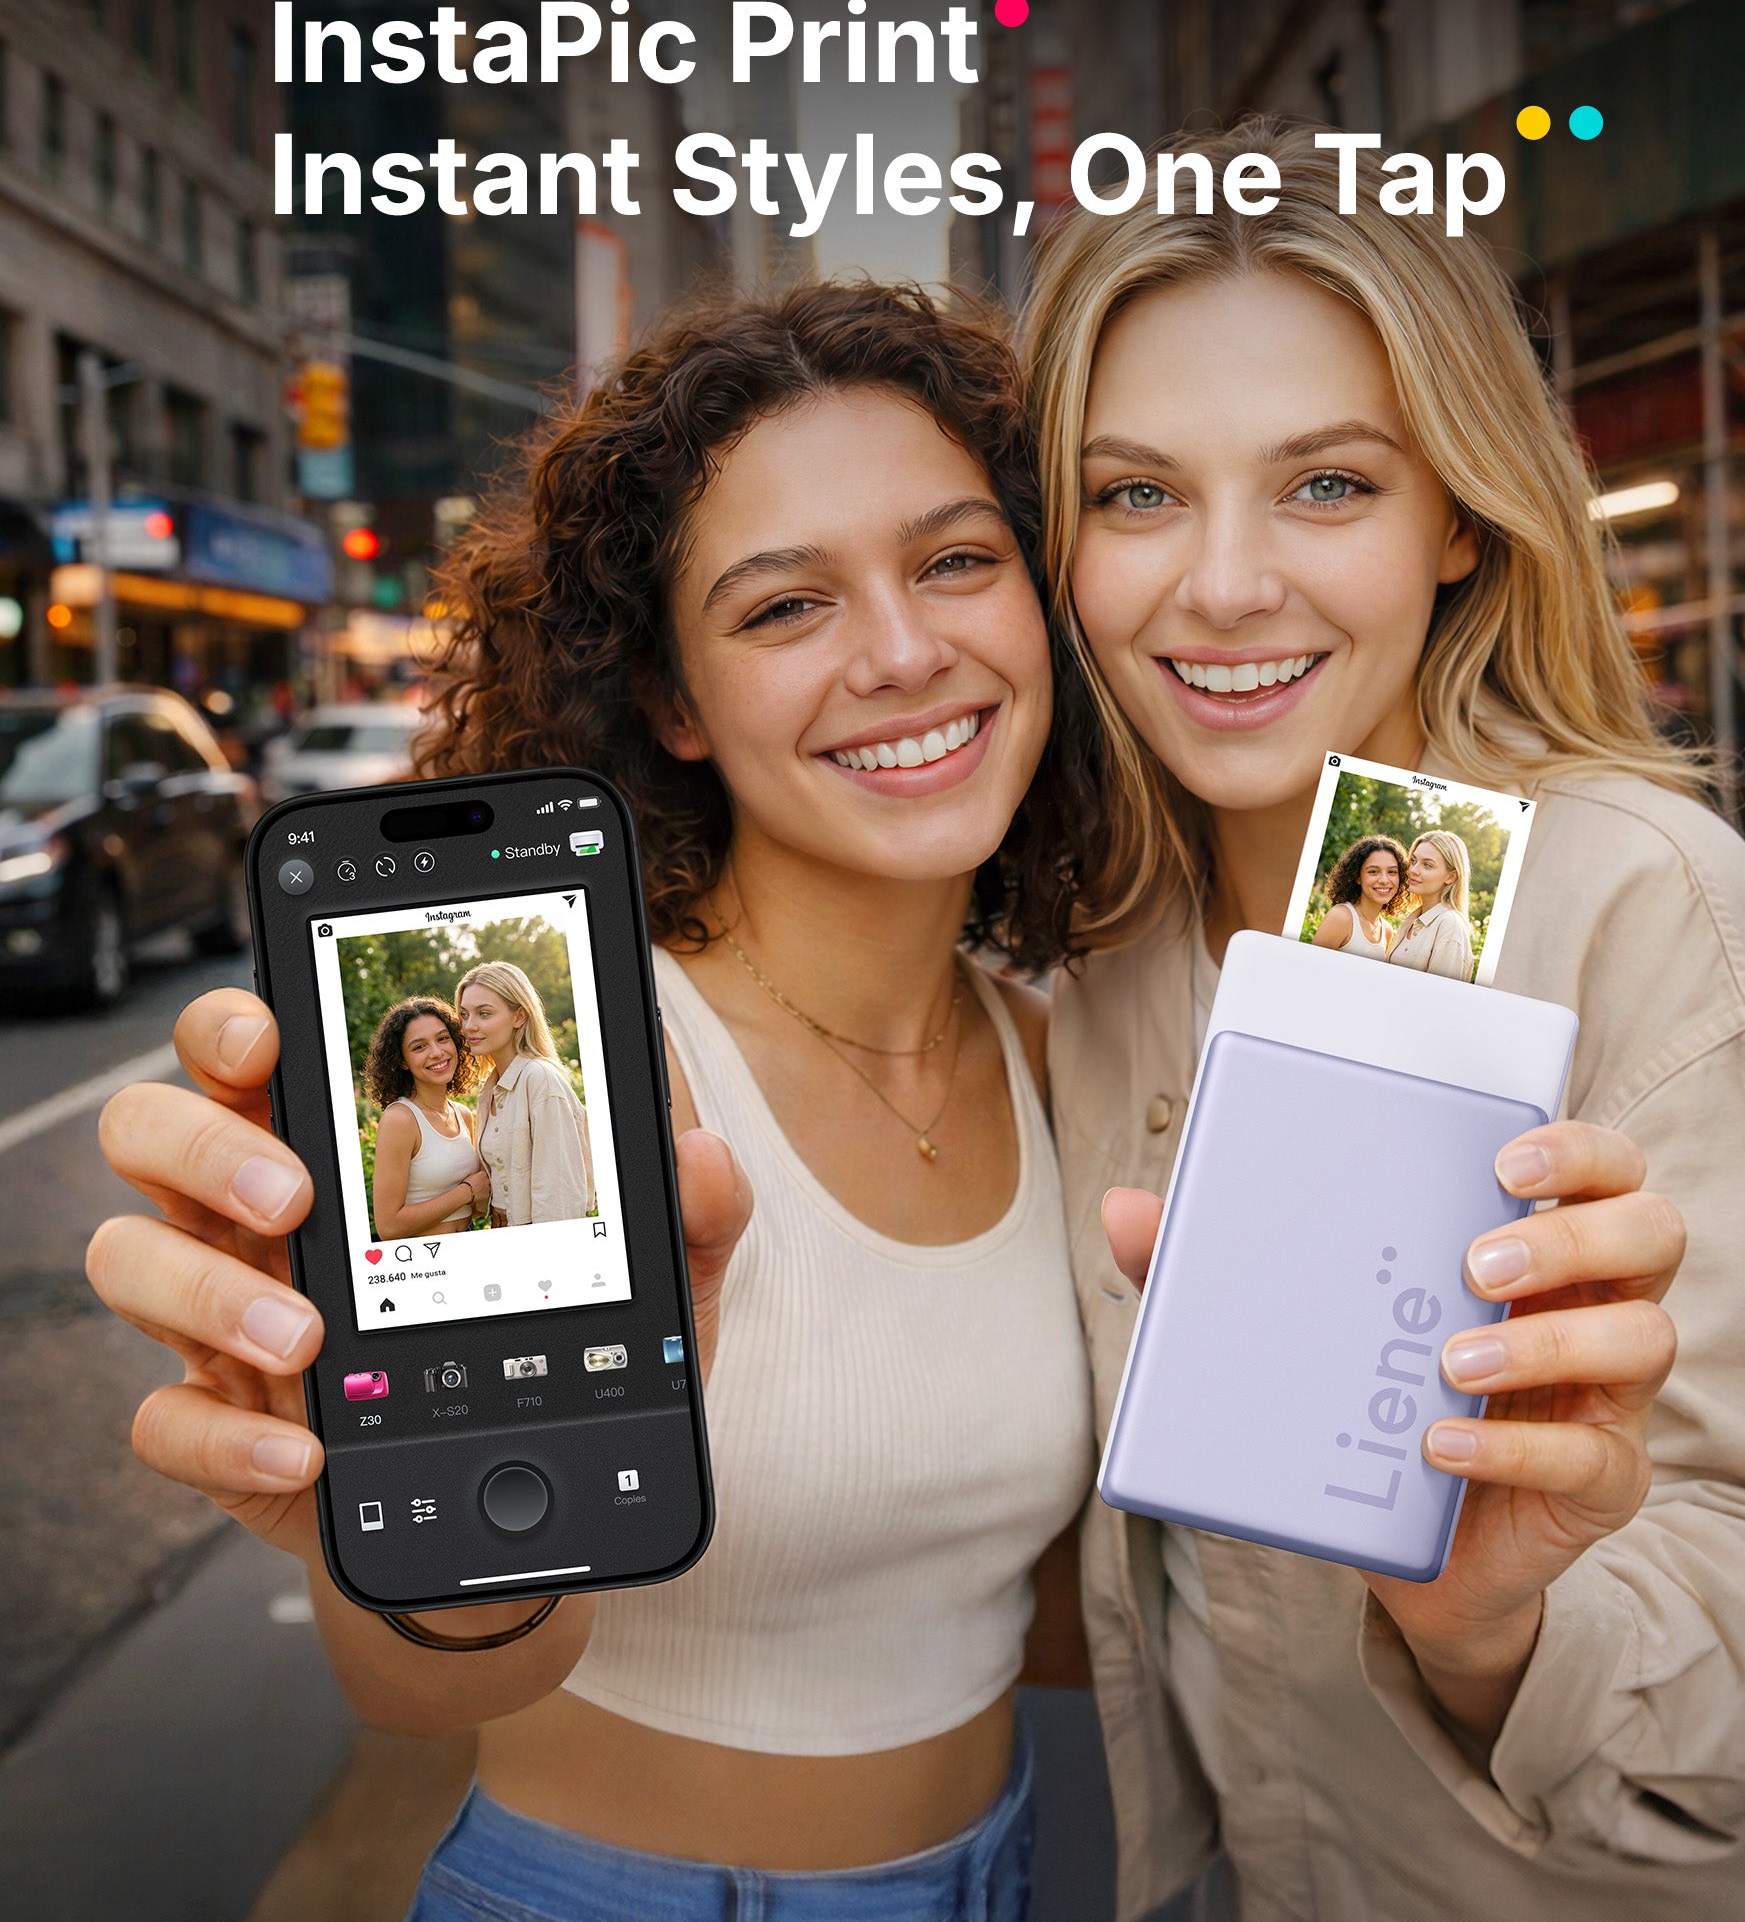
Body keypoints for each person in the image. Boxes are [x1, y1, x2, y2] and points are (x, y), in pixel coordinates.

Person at [87, 282, 1098, 1922]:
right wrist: (366, 1484)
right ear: (672, 701)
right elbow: (424, 1682)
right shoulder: (620, 1059)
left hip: (1006, 1872)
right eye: (783, 608)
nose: (904, 649)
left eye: (955, 559)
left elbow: (1030, 1588)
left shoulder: (1064, 1052)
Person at [1023, 120, 1745, 1920]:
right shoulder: (1110, 954)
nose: (1223, 582)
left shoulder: (1643, 901)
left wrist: (1491, 1621)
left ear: (1456, 518)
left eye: (1326, 483)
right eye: (1133, 493)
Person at [456, 960, 595, 1227]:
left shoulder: (540, 1080)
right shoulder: (492, 1088)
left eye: (484, 1013)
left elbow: (559, 1199)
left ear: (519, 1016)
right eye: (464, 1014)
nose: (469, 1026)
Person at [363, 996, 490, 1240]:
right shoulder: (401, 1120)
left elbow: (472, 1206)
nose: (436, 1052)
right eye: (419, 1047)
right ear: (402, 1061)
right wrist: (468, 1191)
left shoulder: (463, 1115)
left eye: (443, 1039)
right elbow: (388, 1227)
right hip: (426, 1258)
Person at [1387, 829, 1475, 980]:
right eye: (1413, 861)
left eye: (1427, 865)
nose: (1413, 870)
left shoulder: (1449, 925)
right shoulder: (1412, 920)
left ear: (1451, 876)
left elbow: (1440, 998)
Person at [1311, 832, 1408, 959]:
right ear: (1357, 877)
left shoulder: (1386, 931)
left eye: (1392, 872)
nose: (1384, 880)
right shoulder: (1341, 918)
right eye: (1373, 871)